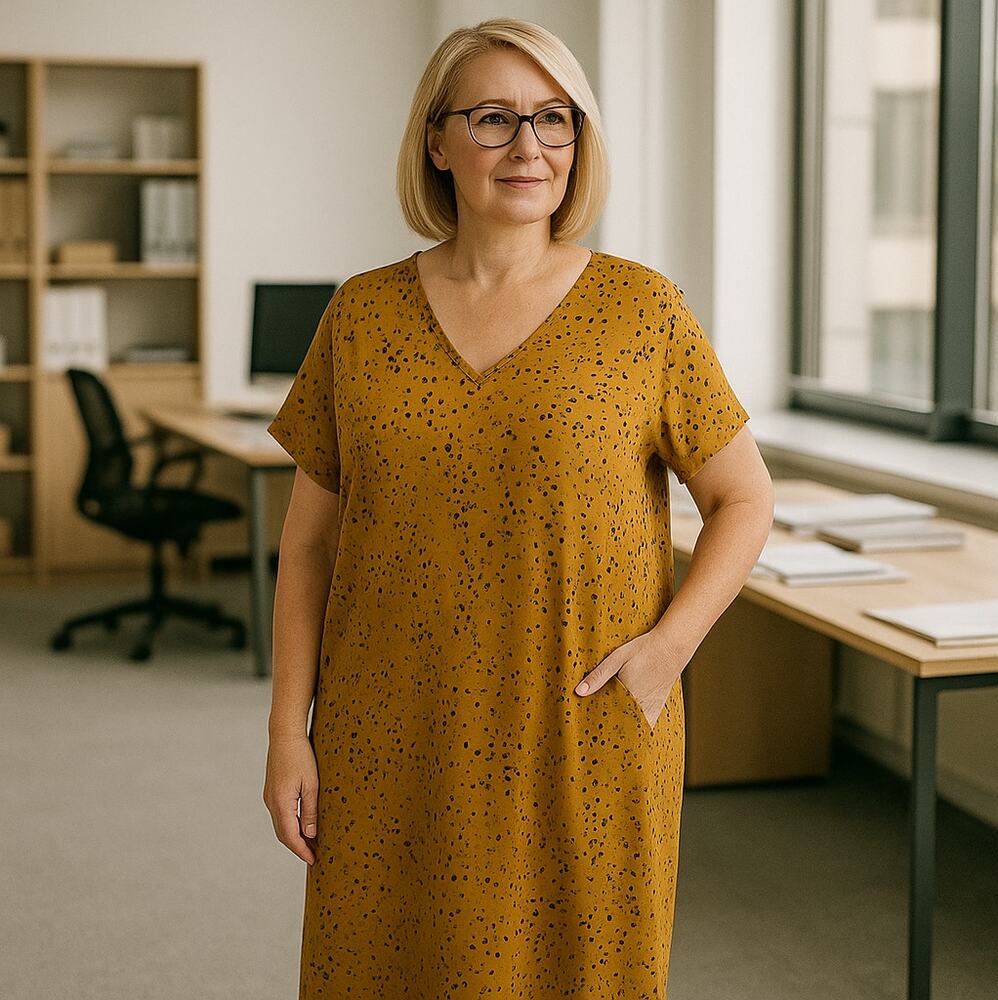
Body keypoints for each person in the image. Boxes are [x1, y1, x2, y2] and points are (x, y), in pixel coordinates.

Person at [262, 16, 774, 998]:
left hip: (577, 730)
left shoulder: (642, 311)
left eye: (554, 118)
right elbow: (309, 551)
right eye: (493, 118)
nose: (528, 146)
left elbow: (743, 498)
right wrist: (289, 732)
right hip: (387, 732)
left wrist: (668, 648)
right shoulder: (360, 317)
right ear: (437, 142)